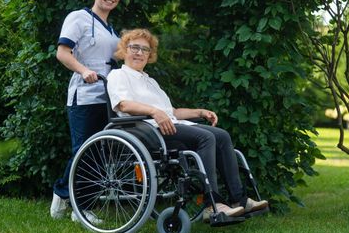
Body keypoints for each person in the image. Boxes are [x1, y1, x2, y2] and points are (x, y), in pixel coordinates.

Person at [106, 28, 268, 221]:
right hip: (145, 130)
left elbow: (172, 112)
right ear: (124, 50)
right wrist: (154, 111)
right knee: (206, 137)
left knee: (222, 135)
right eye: (134, 47)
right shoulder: (118, 76)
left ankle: (239, 200)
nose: (139, 53)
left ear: (150, 55)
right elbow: (123, 104)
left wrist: (199, 112)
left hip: (168, 126)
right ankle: (211, 204)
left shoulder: (150, 81)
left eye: (145, 49)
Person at [50, 0, 122, 224]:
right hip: (84, 96)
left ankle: (80, 205)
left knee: (101, 154)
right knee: (83, 151)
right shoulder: (78, 18)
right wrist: (83, 70)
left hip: (108, 98)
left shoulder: (113, 32)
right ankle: (63, 194)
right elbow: (62, 53)